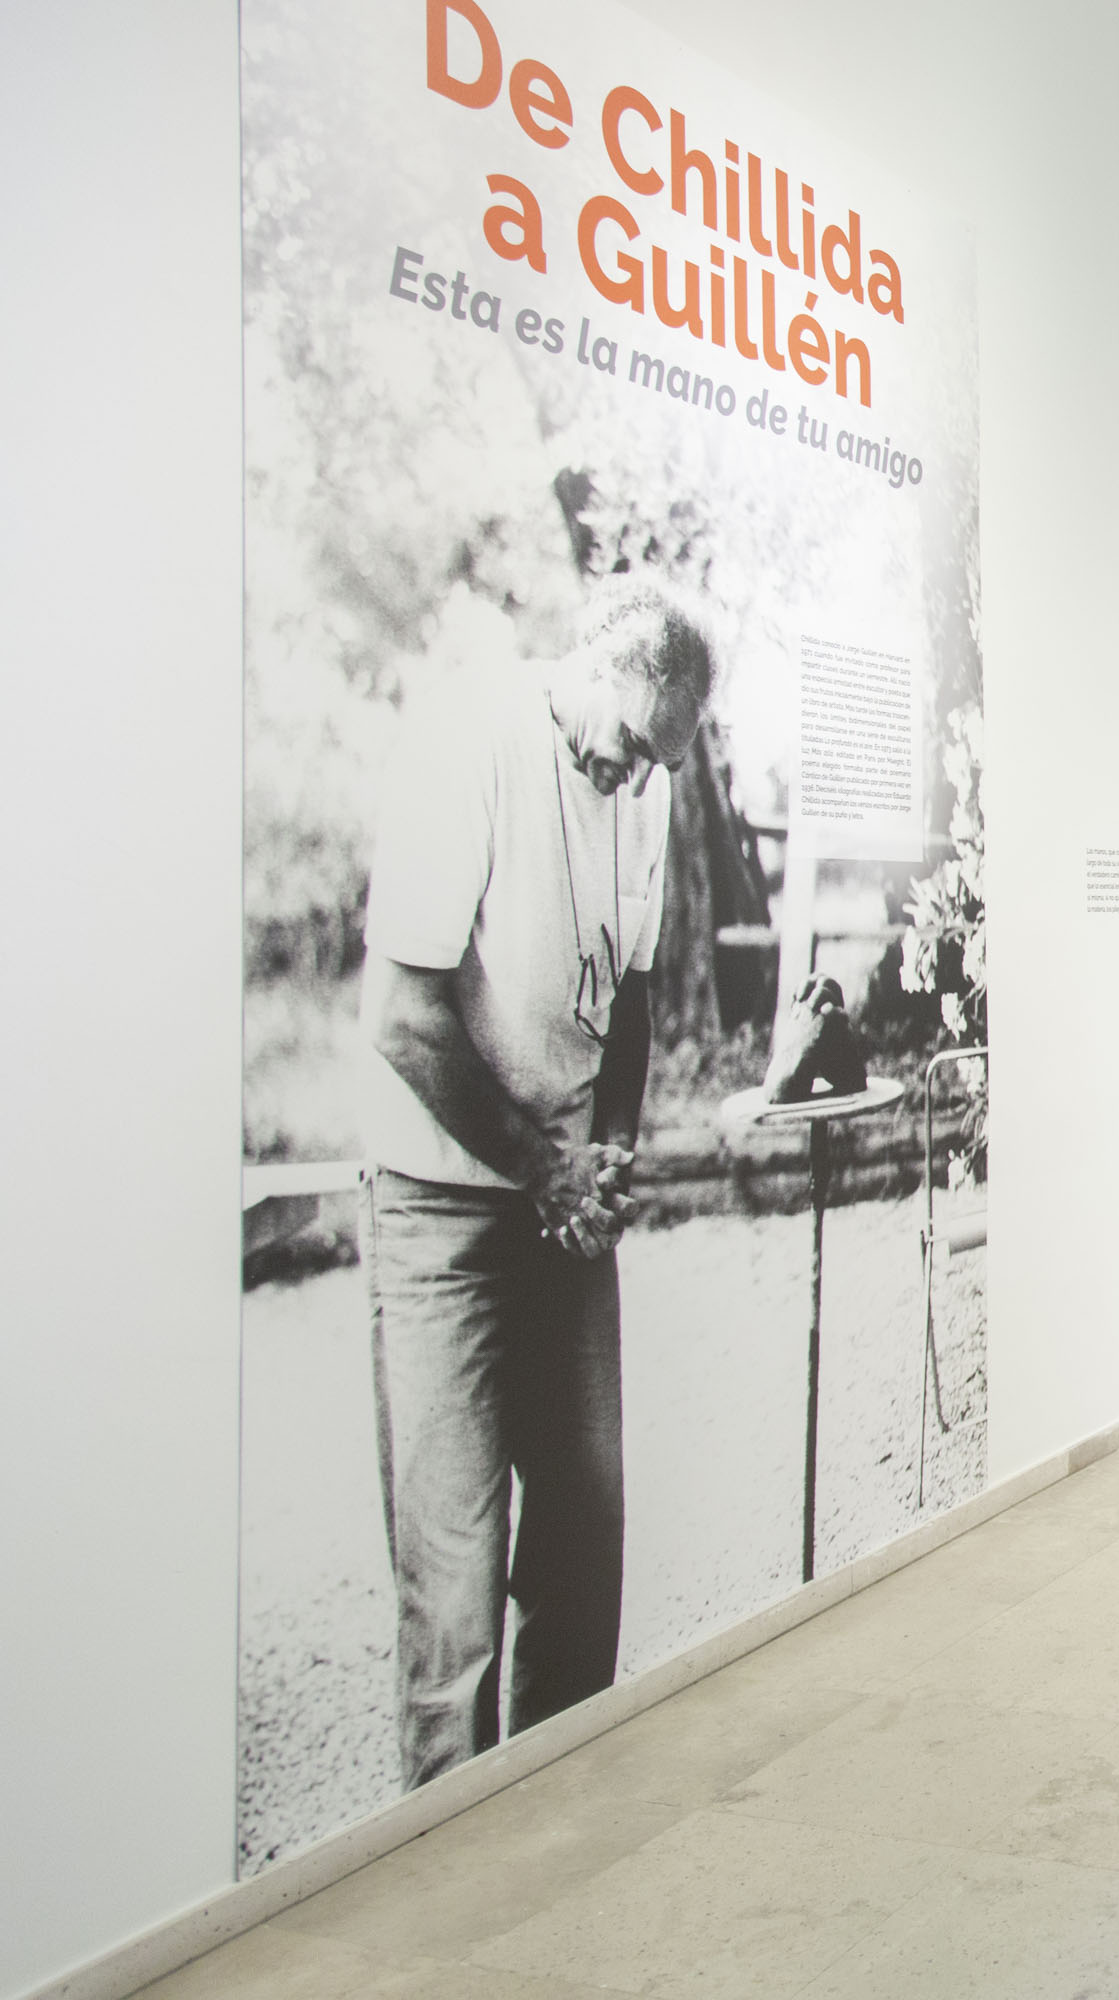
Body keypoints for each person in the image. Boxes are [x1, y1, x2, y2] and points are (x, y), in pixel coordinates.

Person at [356, 583, 716, 1787]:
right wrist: (541, 1168)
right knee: (454, 1582)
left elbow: (635, 992)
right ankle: (449, 1867)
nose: (636, 775)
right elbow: (401, 1016)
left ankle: (558, 1836)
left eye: (661, 761)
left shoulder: (647, 779)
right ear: (594, 664)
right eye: (633, 743)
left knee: (580, 1545)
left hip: (560, 1197)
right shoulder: (472, 738)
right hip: (441, 1202)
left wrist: (608, 1154)